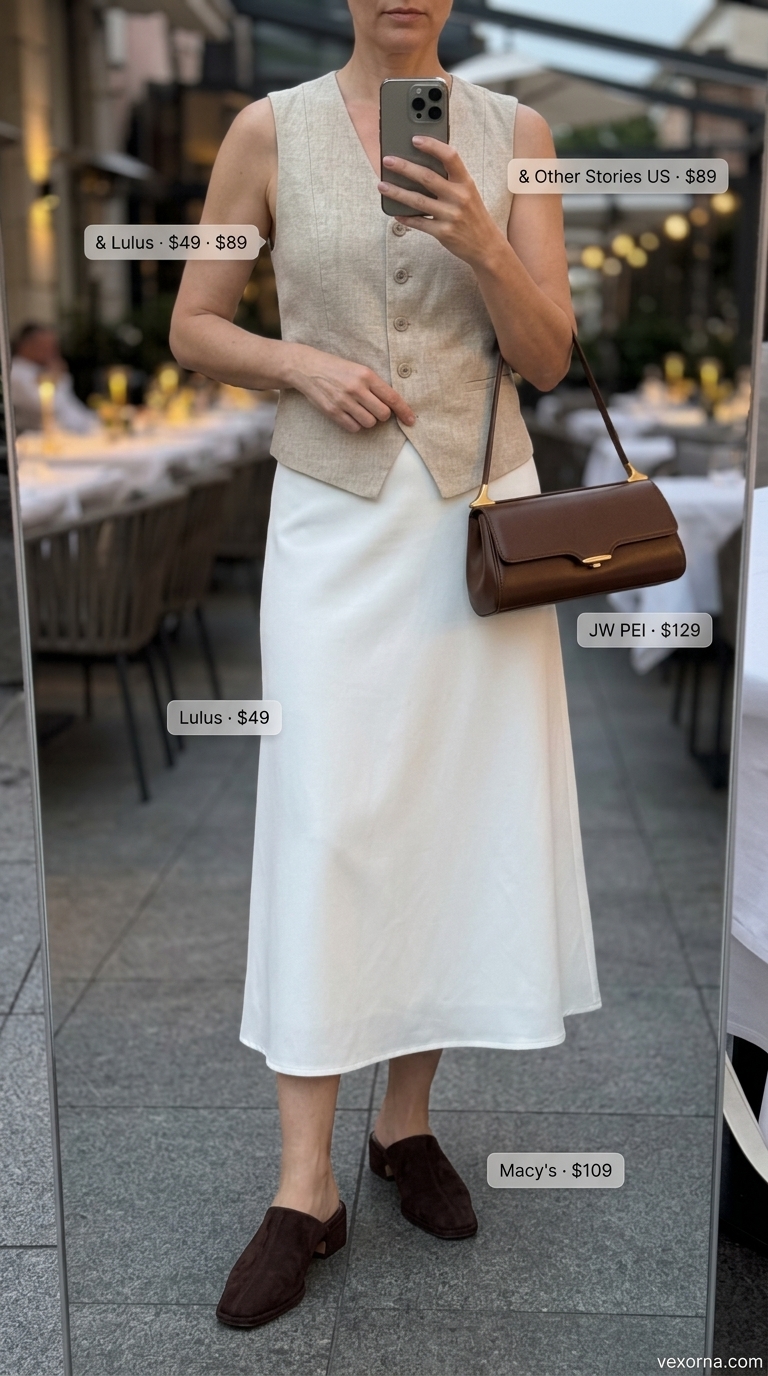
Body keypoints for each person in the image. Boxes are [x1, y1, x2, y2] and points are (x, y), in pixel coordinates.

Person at [170, 0, 600, 1330]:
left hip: (477, 523)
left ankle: (402, 1127)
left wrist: (479, 233)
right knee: (326, 824)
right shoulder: (265, 130)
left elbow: (547, 354)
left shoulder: (517, 134)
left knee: (443, 826)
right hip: (334, 520)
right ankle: (306, 1188)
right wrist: (298, 360)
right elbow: (196, 323)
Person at [10, 324, 98, 435]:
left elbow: (72, 406)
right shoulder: (16, 373)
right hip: (51, 436)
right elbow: (50, 406)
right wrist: (55, 376)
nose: (54, 351)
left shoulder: (41, 368)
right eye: (46, 345)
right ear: (26, 346)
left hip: (83, 427)